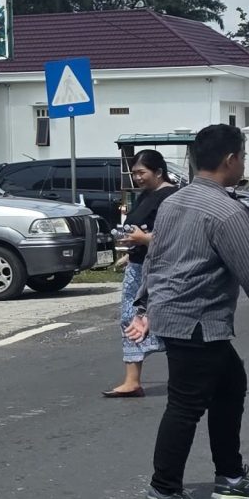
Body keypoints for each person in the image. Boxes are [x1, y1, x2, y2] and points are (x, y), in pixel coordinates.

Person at [126, 123, 249, 499]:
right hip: (195, 319)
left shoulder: (174, 201)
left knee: (231, 384)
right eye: (242, 157)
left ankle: (230, 479)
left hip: (179, 315)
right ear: (230, 160)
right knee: (186, 404)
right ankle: (164, 492)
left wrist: (144, 305)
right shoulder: (227, 212)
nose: (243, 164)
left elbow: (156, 258)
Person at [104, 149, 173, 399]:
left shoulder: (171, 197)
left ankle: (189, 376)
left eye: (141, 172)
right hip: (137, 265)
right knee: (129, 318)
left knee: (166, 321)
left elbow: (175, 235)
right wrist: (131, 250)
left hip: (160, 269)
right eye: (134, 173)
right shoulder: (145, 195)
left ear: (158, 171)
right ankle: (132, 381)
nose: (137, 178)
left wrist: (144, 239)